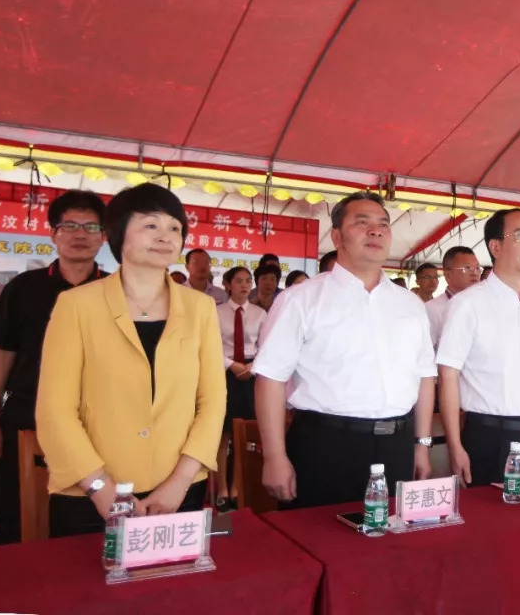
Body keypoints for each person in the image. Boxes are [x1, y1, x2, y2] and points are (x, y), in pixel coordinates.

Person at [36, 184, 226, 537]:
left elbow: (212, 401)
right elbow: (55, 410)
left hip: (177, 489)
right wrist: (101, 488)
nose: (165, 236)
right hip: (89, 492)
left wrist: (180, 481)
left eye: (175, 228)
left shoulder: (200, 308)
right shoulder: (76, 305)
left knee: (173, 588)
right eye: (151, 225)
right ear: (119, 233)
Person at [253, 192, 435, 509]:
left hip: (397, 444)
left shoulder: (410, 305)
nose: (376, 231)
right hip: (325, 445)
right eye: (362, 223)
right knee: (319, 544)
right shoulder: (301, 299)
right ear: (337, 235)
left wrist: (421, 445)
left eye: (383, 225)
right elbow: (270, 378)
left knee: (391, 548)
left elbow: (424, 376)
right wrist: (274, 455)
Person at [0, 190, 109, 544]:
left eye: (90, 226)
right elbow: (2, 355)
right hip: (27, 417)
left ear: (104, 236)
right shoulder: (24, 288)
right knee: (18, 520)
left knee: (85, 525)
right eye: (69, 225)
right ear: (53, 233)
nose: (79, 233)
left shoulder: (116, 291)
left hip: (96, 424)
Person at [437, 208, 520, 486]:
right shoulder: (467, 304)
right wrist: (454, 445)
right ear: (495, 246)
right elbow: (448, 375)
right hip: (490, 438)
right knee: (489, 525)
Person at [215, 266, 266, 511]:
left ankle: (236, 487)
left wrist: (251, 367)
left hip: (250, 374)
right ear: (227, 284)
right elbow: (210, 346)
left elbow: (266, 345)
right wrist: (232, 365)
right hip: (223, 374)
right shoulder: (216, 312)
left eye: (248, 281)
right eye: (238, 281)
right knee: (223, 434)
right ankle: (221, 488)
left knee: (242, 433)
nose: (244, 286)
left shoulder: (260, 314)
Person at [425, 246, 481, 348]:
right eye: (467, 268)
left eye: (477, 268)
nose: (474, 273)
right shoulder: (432, 309)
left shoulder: (482, 305)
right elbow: (427, 351)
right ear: (448, 275)